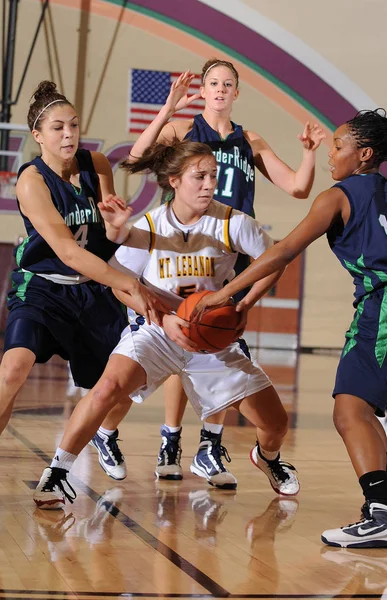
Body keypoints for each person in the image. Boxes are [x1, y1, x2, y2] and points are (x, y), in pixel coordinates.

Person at [89, 58, 325, 489]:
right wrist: (168, 109)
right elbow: (136, 159)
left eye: (227, 84)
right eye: (213, 83)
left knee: (209, 340)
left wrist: (309, 154)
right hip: (175, 247)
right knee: (170, 354)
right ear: (203, 89)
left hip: (227, 248)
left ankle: (204, 445)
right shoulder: (184, 132)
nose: (219, 89)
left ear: (237, 92)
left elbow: (296, 187)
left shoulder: (248, 139)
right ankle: (143, 436)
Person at [32, 139, 300, 510]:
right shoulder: (148, 225)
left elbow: (275, 260)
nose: (210, 184)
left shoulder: (231, 221)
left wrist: (245, 304)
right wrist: (165, 318)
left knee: (275, 424)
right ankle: (57, 473)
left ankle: (268, 458)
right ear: (174, 181)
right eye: (200, 176)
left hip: (211, 339)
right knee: (107, 386)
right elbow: (122, 286)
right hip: (157, 331)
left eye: (214, 176)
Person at [0, 81, 166, 507]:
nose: (68, 134)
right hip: (44, 289)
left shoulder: (97, 164)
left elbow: (109, 234)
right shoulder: (32, 181)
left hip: (93, 291)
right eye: (57, 128)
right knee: (14, 369)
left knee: (126, 383)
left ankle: (104, 433)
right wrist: (128, 283)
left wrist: (119, 225)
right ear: (38, 135)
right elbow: (67, 252)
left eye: (73, 125)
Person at [192, 109, 387, 548]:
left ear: (365, 155)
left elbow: (282, 252)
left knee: (350, 409)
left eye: (339, 147)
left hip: (382, 306)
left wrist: (227, 295)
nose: (332, 154)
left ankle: (380, 513)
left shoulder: (337, 197)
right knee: (367, 410)